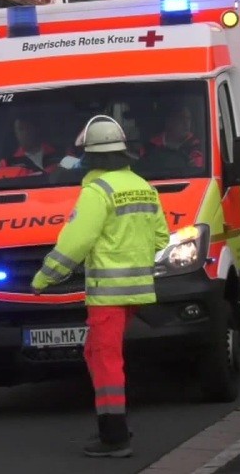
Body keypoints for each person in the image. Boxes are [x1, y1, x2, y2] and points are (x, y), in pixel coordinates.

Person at [29, 114, 170, 458]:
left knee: (106, 361)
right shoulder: (144, 186)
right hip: (138, 291)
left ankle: (114, 436)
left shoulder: (97, 191)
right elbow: (161, 238)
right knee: (95, 352)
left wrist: (43, 279)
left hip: (107, 294)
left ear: (91, 157)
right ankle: (115, 422)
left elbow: (75, 243)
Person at [0, 115, 64, 179]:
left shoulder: (61, 155)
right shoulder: (8, 164)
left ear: (36, 129)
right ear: (15, 134)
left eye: (27, 128)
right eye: (20, 129)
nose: (24, 133)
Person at [141, 104, 205, 169]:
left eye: (188, 118)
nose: (186, 123)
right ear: (169, 121)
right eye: (181, 118)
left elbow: (199, 167)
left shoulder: (196, 145)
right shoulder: (151, 146)